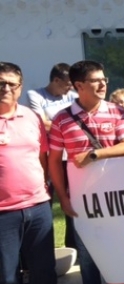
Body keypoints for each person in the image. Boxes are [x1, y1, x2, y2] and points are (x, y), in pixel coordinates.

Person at [49, 60, 124, 284]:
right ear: (79, 86)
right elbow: (54, 160)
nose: (103, 84)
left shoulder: (116, 111)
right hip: (83, 201)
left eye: (104, 80)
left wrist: (94, 154)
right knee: (88, 256)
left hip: (118, 200)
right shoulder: (62, 119)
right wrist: (63, 198)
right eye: (96, 81)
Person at [0, 62, 67, 284]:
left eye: (12, 84)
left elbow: (42, 156)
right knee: (7, 280)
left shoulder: (30, 116)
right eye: (1, 83)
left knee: (44, 274)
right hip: (3, 214)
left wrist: (46, 190)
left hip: (38, 207)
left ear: (21, 87)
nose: (6, 89)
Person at [26, 63, 79, 251]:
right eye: (66, 84)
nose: (69, 88)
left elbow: (79, 120)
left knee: (72, 199)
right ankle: (44, 247)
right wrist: (69, 127)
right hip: (47, 155)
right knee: (46, 199)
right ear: (56, 80)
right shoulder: (36, 95)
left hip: (70, 155)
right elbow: (41, 124)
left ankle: (73, 246)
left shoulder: (72, 96)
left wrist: (57, 126)